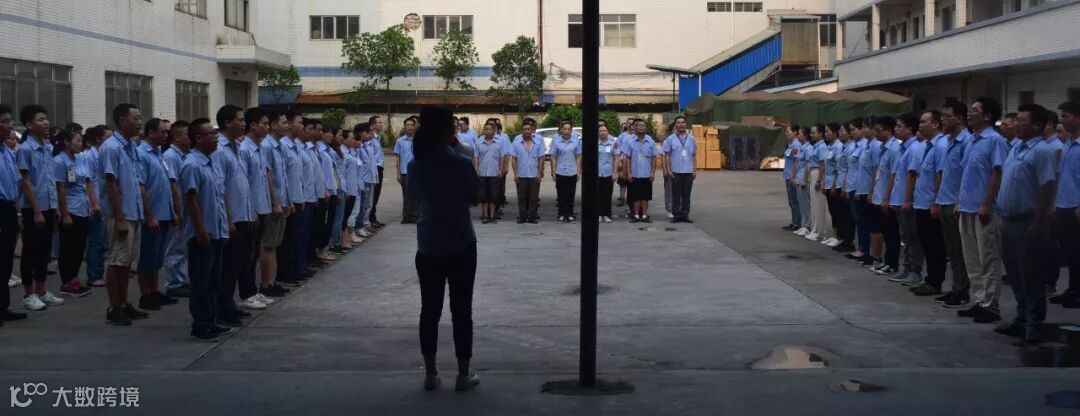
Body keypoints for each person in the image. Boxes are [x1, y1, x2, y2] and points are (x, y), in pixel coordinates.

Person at [406, 106, 481, 392]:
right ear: (449, 131)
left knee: (429, 309)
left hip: (428, 243)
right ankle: (463, 374)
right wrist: (458, 149)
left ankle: (430, 373)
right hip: (461, 241)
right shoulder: (461, 162)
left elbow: (414, 197)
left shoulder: (416, 165)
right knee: (462, 309)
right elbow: (474, 198)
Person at [992, 104, 1059, 345]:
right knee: (1015, 274)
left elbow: (1047, 186)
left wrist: (1039, 220)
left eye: (1021, 120)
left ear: (1037, 125)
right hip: (1008, 220)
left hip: (1028, 221)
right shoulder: (1015, 148)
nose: (1016, 124)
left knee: (1031, 275)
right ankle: (1021, 319)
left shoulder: (1042, 151)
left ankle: (1034, 325)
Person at [956, 97, 1009, 324]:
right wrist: (959, 202)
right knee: (972, 259)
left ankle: (991, 305)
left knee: (988, 258)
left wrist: (986, 203)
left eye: (974, 110)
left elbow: (998, 173)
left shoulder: (995, 141)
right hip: (967, 207)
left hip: (984, 209)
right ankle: (978, 300)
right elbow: (966, 175)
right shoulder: (971, 141)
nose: (970, 113)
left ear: (987, 116)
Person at [180, 118, 231, 342]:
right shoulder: (192, 164)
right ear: (198, 138)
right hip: (203, 234)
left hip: (216, 230)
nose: (216, 137)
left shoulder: (211, 162)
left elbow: (218, 197)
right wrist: (200, 229)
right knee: (201, 281)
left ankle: (210, 320)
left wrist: (224, 226)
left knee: (212, 281)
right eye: (211, 134)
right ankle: (200, 325)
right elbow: (191, 200)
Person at [100, 104, 149, 325]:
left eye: (140, 118)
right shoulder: (111, 147)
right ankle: (114, 307)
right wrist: (119, 218)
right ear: (121, 120)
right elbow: (111, 185)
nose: (140, 123)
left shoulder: (132, 146)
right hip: (120, 215)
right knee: (116, 262)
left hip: (133, 212)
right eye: (135, 118)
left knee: (127, 263)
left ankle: (124, 302)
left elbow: (136, 181)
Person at [15, 105, 62, 312]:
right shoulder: (25, 149)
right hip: (33, 209)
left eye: (46, 118)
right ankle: (29, 294)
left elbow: (50, 180)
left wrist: (55, 207)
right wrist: (36, 211)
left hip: (49, 206)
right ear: (29, 125)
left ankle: (42, 290)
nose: (46, 122)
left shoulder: (47, 148)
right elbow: (25, 182)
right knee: (30, 251)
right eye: (40, 119)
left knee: (44, 251)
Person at [212, 105, 252, 327]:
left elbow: (242, 184)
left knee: (237, 264)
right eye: (240, 120)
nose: (244, 124)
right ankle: (222, 308)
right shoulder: (219, 150)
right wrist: (228, 220)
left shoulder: (237, 147)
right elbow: (221, 188)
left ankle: (229, 303)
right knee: (227, 267)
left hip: (242, 215)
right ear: (227, 123)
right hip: (232, 218)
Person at [931, 102, 974, 308]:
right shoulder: (948, 141)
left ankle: (963, 291)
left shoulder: (967, 141)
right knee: (953, 251)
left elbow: (966, 176)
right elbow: (944, 174)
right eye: (942, 116)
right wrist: (938, 200)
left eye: (947, 116)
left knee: (961, 251)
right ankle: (956, 287)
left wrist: (958, 201)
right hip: (945, 200)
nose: (943, 120)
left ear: (959, 118)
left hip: (956, 203)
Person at [135, 118, 180, 311]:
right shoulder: (141, 154)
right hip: (152, 215)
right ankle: (145, 295)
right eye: (162, 132)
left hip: (164, 213)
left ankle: (154, 291)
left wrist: (173, 211)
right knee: (147, 256)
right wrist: (150, 214)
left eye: (167, 132)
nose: (166, 135)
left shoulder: (159, 153)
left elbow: (166, 185)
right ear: (151, 132)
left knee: (158, 257)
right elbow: (141, 187)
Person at [236, 107, 275, 311]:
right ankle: (246, 293)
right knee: (246, 254)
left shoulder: (260, 148)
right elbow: (245, 184)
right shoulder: (244, 150)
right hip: (251, 211)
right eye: (264, 124)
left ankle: (252, 291)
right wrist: (251, 210)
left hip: (262, 207)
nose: (267, 128)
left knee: (254, 253)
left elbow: (264, 178)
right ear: (253, 125)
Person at [908, 111, 949, 297]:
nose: (920, 125)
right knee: (927, 244)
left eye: (924, 122)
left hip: (930, 204)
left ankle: (935, 282)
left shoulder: (941, 146)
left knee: (935, 246)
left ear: (935, 124)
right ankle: (930, 279)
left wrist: (936, 203)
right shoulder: (928, 145)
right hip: (922, 202)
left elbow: (940, 176)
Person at [52, 128, 95, 297]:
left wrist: (91, 204)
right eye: (77, 141)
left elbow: (85, 182)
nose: (80, 144)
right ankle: (67, 282)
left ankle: (74, 280)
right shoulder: (59, 161)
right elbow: (60, 189)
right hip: (70, 208)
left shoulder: (79, 159)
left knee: (79, 247)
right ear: (66, 142)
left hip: (82, 207)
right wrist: (65, 214)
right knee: (68, 247)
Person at [886, 114, 925, 286]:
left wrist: (907, 200)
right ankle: (907, 268)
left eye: (899, 126)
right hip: (899, 198)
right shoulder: (903, 148)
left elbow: (912, 175)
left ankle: (915, 270)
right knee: (906, 238)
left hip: (906, 200)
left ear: (909, 129)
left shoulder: (915, 148)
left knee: (912, 238)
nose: (896, 129)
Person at [0, 104, 28, 324]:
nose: (10, 125)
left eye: (10, 121)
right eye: (4, 121)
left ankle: (3, 307)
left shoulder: (7, 152)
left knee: (6, 261)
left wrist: (18, 214)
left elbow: (15, 185)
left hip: (9, 208)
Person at [274, 111, 307, 292]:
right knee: (286, 241)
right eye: (299, 123)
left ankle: (294, 270)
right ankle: (285, 274)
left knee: (296, 238)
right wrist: (288, 200)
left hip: (297, 197)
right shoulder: (284, 146)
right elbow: (282, 176)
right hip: (289, 199)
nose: (301, 126)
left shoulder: (293, 145)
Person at [1052, 102, 1080, 308]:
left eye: (1066, 116)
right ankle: (1072, 288)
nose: (1062, 120)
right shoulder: (1068, 144)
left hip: (1076, 207)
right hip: (1063, 205)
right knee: (1070, 252)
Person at [162, 121, 191, 297]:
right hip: (177, 208)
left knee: (182, 246)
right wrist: (177, 211)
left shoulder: (183, 155)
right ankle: (173, 283)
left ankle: (181, 279)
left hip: (185, 207)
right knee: (175, 247)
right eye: (187, 134)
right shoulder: (171, 156)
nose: (190, 138)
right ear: (177, 137)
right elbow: (172, 185)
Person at [872, 116, 902, 276]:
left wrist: (887, 198)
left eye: (879, 130)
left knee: (892, 233)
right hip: (880, 194)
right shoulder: (883, 148)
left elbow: (893, 175)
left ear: (888, 131)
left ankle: (892, 263)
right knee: (884, 231)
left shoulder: (894, 149)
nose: (876, 133)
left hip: (888, 197)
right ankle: (886, 261)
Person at [82, 125, 111, 288]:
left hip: (105, 203)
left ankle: (100, 272)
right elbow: (88, 181)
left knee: (103, 242)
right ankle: (93, 276)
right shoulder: (89, 156)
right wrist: (94, 203)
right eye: (108, 137)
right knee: (96, 241)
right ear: (99, 139)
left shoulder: (104, 154)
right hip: (96, 204)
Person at [844, 120, 871, 261]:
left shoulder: (865, 145)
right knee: (856, 219)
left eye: (854, 129)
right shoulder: (853, 146)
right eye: (850, 130)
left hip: (859, 187)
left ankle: (864, 248)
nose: (852, 132)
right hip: (852, 185)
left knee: (862, 220)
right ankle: (860, 246)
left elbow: (864, 170)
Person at [662, 116, 697, 223]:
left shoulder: (691, 139)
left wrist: (694, 170)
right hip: (675, 171)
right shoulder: (670, 139)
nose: (681, 124)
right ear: (675, 125)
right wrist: (669, 170)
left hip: (688, 171)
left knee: (686, 194)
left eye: (683, 122)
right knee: (676, 194)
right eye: (678, 123)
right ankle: (676, 215)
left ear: (685, 124)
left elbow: (694, 155)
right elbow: (667, 155)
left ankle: (685, 214)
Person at [511, 118, 545, 224]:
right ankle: (522, 216)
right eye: (524, 129)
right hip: (521, 174)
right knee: (522, 197)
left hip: (534, 174)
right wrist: (515, 174)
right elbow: (514, 159)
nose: (526, 131)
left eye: (528, 129)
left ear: (532, 131)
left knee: (533, 197)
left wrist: (539, 173)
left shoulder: (538, 143)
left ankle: (531, 216)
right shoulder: (516, 143)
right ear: (522, 131)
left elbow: (541, 159)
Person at [624, 119, 658, 223]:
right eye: (639, 125)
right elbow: (627, 158)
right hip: (634, 173)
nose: (641, 127)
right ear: (635, 127)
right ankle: (635, 215)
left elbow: (654, 158)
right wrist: (629, 173)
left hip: (647, 174)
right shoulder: (629, 141)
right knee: (636, 196)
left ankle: (644, 215)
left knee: (645, 196)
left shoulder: (651, 141)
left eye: (643, 126)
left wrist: (652, 172)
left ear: (646, 128)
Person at [550, 120, 582, 223]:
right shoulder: (556, 141)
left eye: (568, 129)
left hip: (572, 171)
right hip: (560, 171)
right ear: (561, 130)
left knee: (571, 194)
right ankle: (561, 214)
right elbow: (553, 157)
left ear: (571, 130)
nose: (566, 131)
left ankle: (570, 214)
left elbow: (578, 156)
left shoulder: (576, 140)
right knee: (561, 194)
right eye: (564, 129)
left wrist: (578, 171)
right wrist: (553, 172)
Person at [474, 122, 506, 223]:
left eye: (490, 129)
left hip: (494, 173)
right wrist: (476, 169)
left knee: (493, 196)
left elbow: (502, 157)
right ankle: (485, 215)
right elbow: (476, 157)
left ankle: (492, 216)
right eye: (486, 129)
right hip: (482, 173)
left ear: (494, 131)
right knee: (483, 196)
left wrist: (501, 170)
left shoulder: (499, 143)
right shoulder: (479, 143)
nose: (487, 131)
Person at [354, 123, 380, 239]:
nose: (371, 134)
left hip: (370, 179)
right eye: (368, 132)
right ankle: (359, 226)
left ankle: (365, 224)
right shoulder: (358, 147)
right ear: (361, 133)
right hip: (363, 180)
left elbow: (371, 164)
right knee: (362, 205)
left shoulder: (368, 146)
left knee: (368, 204)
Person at [807, 124, 831, 242]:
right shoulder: (815, 146)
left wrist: (819, 180)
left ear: (820, 134)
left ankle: (820, 231)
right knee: (814, 204)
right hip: (813, 172)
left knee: (819, 204)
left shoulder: (821, 147)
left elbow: (822, 164)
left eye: (814, 132)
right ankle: (815, 229)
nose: (811, 135)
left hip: (818, 173)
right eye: (811, 133)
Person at [395, 117, 420, 224]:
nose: (409, 127)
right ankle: (406, 216)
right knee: (406, 195)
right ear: (404, 127)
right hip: (405, 172)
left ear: (415, 127)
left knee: (417, 194)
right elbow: (398, 158)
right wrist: (398, 174)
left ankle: (416, 215)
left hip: (417, 172)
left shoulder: (419, 141)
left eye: (411, 125)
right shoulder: (400, 141)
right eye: (407, 125)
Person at [367, 115, 386, 229]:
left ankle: (373, 218)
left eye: (381, 122)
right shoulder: (371, 139)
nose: (381, 124)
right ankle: (370, 219)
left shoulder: (377, 138)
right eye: (379, 122)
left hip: (379, 168)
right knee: (372, 196)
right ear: (373, 125)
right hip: (375, 168)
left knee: (376, 195)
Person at [782, 124, 802, 231]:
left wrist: (793, 177)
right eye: (786, 132)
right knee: (791, 201)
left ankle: (798, 223)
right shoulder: (790, 145)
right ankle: (794, 221)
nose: (786, 134)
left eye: (788, 132)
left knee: (795, 200)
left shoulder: (796, 145)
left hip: (792, 176)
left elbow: (796, 162)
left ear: (795, 133)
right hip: (788, 175)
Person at [793, 127, 813, 236]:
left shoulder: (809, 148)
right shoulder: (801, 148)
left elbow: (807, 165)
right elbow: (797, 163)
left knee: (806, 203)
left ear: (805, 136)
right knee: (801, 203)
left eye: (800, 134)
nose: (798, 135)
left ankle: (807, 225)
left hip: (804, 179)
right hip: (799, 178)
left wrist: (805, 179)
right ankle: (803, 225)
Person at [597, 124, 618, 223]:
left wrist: (615, 172)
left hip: (608, 173)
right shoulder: (595, 143)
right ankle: (598, 214)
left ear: (607, 132)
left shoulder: (613, 143)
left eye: (604, 131)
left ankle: (607, 215)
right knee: (597, 195)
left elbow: (616, 158)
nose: (602, 132)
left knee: (607, 195)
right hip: (597, 173)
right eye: (600, 131)